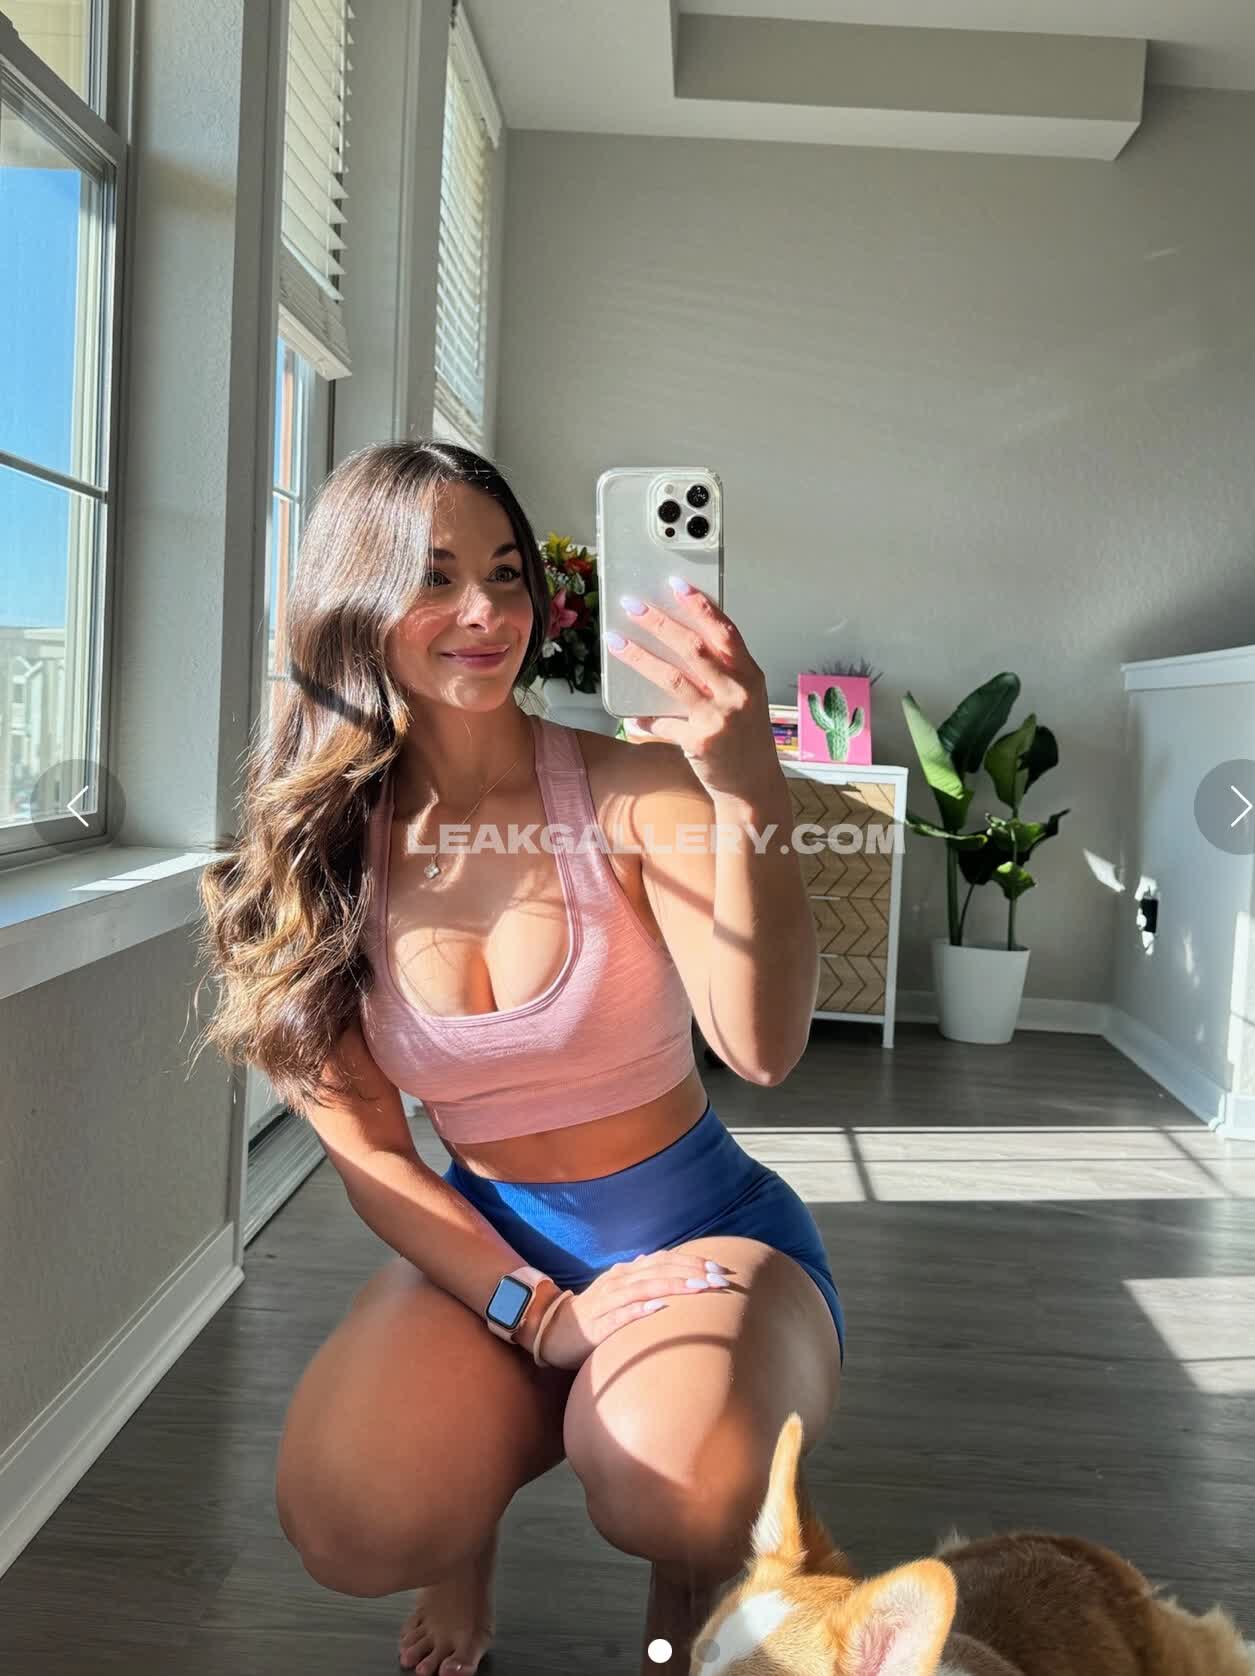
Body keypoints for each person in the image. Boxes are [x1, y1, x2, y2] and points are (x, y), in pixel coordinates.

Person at [193, 441, 845, 1676]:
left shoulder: (635, 788)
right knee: (348, 1515)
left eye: (506, 572)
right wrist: (534, 1311)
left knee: (677, 1480)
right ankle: (472, 1522)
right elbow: (376, 1158)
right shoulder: (323, 853)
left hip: (699, 1231)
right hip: (488, 1246)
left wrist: (748, 788)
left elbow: (761, 1048)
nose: (487, 611)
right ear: (354, 598)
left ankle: (687, 1554)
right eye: (435, 576)